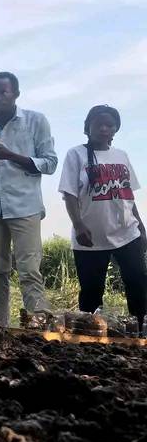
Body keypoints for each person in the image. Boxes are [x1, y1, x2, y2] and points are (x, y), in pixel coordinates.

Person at [0, 71, 57, 326]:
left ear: (16, 94)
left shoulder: (35, 121)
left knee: (29, 270)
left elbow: (50, 162)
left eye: (3, 92)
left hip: (25, 206)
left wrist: (11, 155)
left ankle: (38, 325)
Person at [58, 105, 147, 320]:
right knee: (91, 293)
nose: (104, 128)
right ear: (87, 127)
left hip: (127, 232)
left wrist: (141, 225)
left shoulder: (122, 155)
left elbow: (127, 194)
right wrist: (78, 225)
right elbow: (69, 195)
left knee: (138, 283)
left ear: (116, 129)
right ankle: (88, 339)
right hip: (90, 237)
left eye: (110, 125)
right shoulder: (76, 154)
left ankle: (140, 331)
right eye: (99, 124)